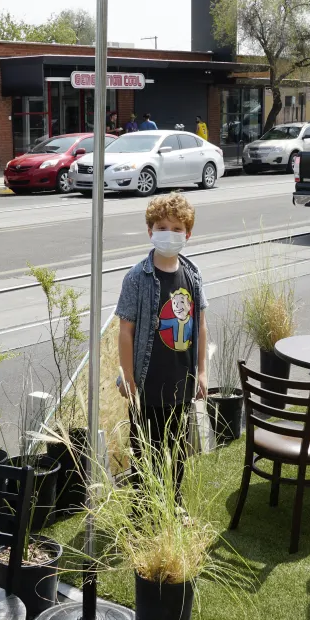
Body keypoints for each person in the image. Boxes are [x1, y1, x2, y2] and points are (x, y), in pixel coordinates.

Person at [115, 193, 208, 495]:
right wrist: (128, 376)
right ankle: (143, 512)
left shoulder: (192, 275)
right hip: (147, 384)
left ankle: (173, 501)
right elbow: (126, 331)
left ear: (188, 233)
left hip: (182, 382)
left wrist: (202, 373)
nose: (169, 233)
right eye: (162, 227)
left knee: (177, 449)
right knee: (146, 452)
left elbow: (201, 325)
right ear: (150, 231)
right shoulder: (136, 278)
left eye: (177, 228)